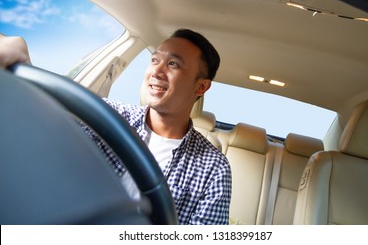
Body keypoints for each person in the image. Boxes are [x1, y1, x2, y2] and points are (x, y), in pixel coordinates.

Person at [0, 30, 232, 225]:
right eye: (154, 60)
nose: (156, 71)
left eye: (172, 64)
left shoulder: (214, 169)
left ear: (201, 87)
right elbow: (46, 121)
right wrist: (20, 58)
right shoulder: (107, 115)